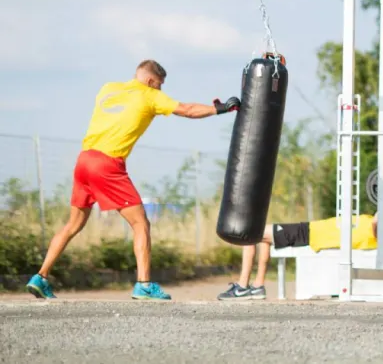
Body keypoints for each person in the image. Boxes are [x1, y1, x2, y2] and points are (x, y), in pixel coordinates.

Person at [25, 59, 241, 301]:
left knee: (72, 225)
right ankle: (144, 284)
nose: (160, 90)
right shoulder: (149, 96)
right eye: (159, 85)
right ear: (150, 81)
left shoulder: (108, 89)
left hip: (84, 161)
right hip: (107, 165)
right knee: (140, 224)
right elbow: (187, 110)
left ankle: (40, 277)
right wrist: (220, 109)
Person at [216, 207, 383, 300]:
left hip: (308, 235)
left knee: (249, 234)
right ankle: (258, 286)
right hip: (309, 229)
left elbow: (377, 220)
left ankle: (243, 286)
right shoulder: (379, 228)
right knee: (260, 237)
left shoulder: (379, 236)